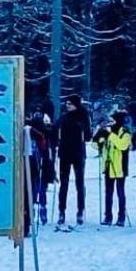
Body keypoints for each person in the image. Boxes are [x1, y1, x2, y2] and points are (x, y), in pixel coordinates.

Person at [55, 94, 92, 226]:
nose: (67, 105)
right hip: (65, 153)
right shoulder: (64, 117)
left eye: (70, 103)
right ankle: (61, 211)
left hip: (78, 153)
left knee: (79, 183)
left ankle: (80, 211)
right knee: (63, 184)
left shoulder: (83, 116)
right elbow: (54, 129)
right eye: (67, 103)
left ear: (76, 104)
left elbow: (88, 136)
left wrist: (82, 128)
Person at [94, 110, 132, 226]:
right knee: (108, 193)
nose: (111, 123)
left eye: (113, 120)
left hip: (120, 167)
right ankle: (108, 216)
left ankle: (121, 217)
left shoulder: (125, 132)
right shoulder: (108, 132)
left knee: (120, 192)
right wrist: (98, 137)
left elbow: (122, 145)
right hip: (108, 166)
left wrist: (110, 135)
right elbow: (95, 145)